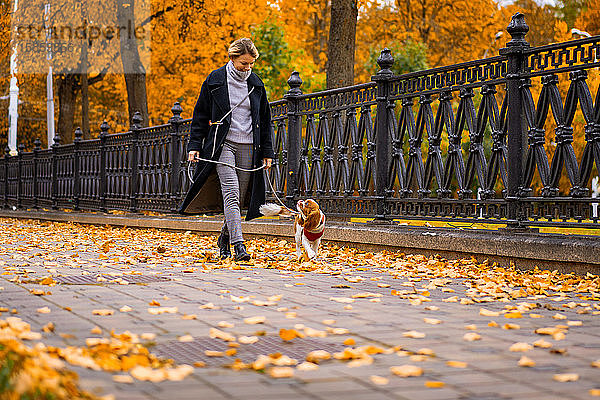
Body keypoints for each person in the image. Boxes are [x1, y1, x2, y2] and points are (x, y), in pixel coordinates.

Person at [179, 38, 274, 261]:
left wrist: (267, 152)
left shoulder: (257, 84)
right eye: (243, 63)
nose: (247, 68)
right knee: (230, 194)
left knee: (239, 199)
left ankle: (223, 238)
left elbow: (265, 121)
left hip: (249, 145)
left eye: (251, 64)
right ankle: (238, 245)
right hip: (223, 144)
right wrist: (195, 145)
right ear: (232, 58)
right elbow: (200, 115)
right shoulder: (215, 80)